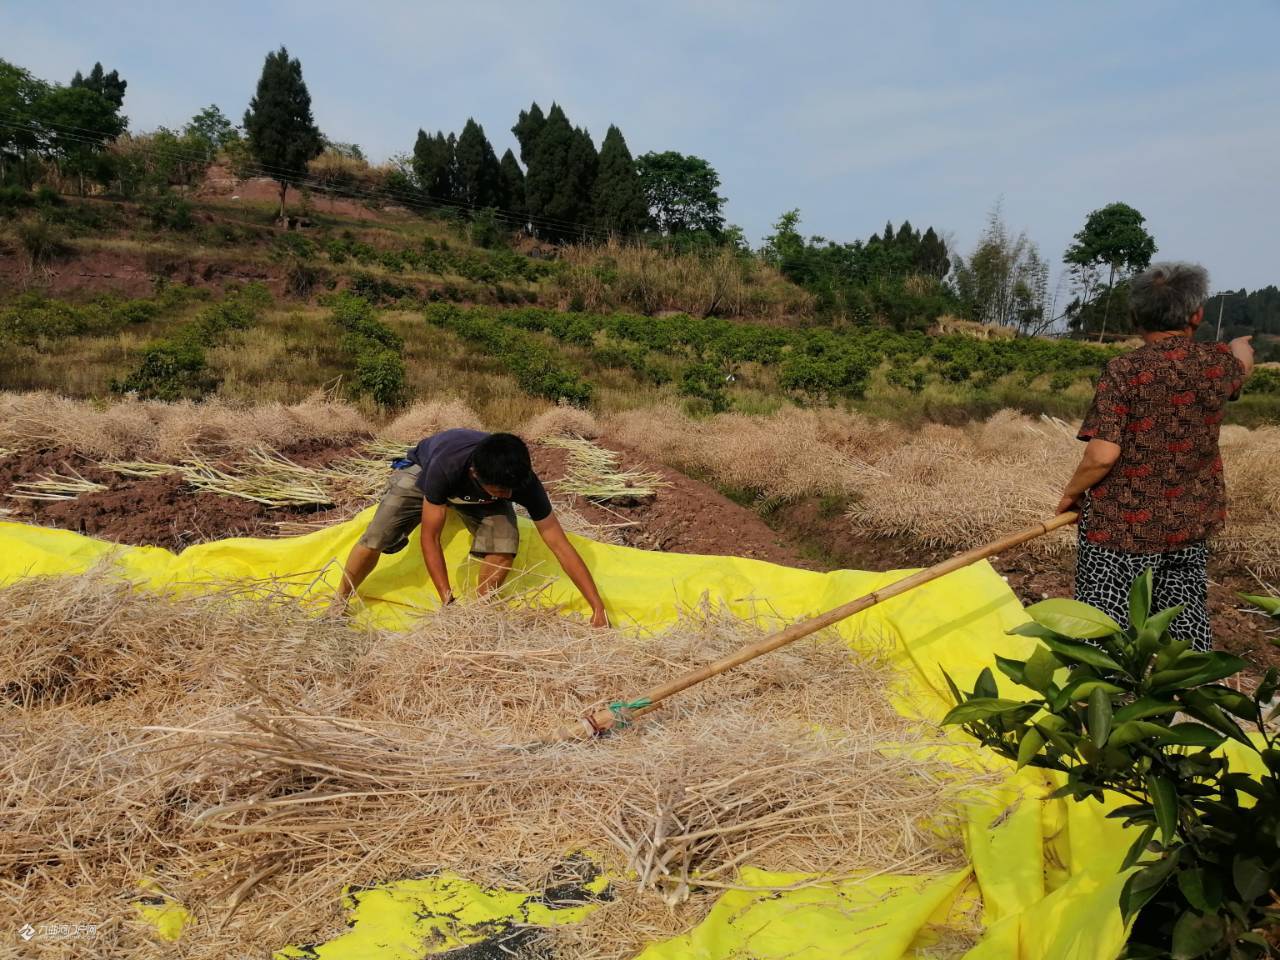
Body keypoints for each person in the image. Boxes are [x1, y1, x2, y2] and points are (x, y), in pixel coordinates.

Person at [1055, 262, 1253, 651]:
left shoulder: (1125, 370)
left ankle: (1096, 699)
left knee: (1102, 622)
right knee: (1182, 618)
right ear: (1196, 315)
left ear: (1136, 317)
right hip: (1188, 521)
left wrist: (1071, 494)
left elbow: (1102, 455)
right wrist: (1240, 347)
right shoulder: (1216, 366)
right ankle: (1184, 695)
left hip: (1120, 528)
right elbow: (1241, 367)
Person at [333, 429, 609, 626]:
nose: (506, 495)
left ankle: (482, 612)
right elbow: (430, 537)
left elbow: (559, 544)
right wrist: (446, 598)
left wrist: (597, 605)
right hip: (421, 473)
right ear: (475, 474)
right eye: (498, 490)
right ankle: (339, 602)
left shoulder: (520, 481)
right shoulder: (446, 467)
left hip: (475, 493)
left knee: (504, 541)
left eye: (509, 491)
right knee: (377, 536)